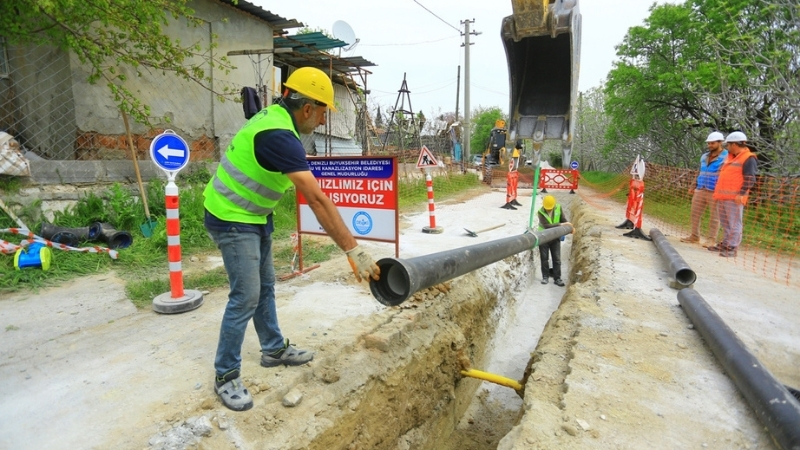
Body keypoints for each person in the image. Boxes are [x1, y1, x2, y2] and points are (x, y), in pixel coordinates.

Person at [202, 67, 380, 412]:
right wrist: (353, 250)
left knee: (266, 286)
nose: (324, 120)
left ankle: (273, 349)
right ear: (307, 107)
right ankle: (226, 374)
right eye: (324, 111)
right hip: (230, 216)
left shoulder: (279, 121)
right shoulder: (279, 136)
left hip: (254, 214)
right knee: (246, 295)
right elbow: (317, 200)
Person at [710, 131, 757, 258]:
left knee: (734, 223)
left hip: (735, 198)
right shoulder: (731, 157)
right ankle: (726, 243)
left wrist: (741, 194)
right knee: (726, 223)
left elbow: (750, 178)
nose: (727, 147)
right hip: (723, 196)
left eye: (728, 145)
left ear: (734, 144)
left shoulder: (748, 158)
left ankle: (732, 247)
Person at [680, 132, 728, 246]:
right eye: (708, 143)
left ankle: (711, 239)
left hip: (715, 190)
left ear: (720, 143)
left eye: (712, 143)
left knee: (715, 217)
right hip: (700, 188)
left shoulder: (726, 156)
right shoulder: (704, 156)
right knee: (695, 213)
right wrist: (693, 186)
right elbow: (700, 171)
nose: (709, 145)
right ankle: (694, 236)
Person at [537, 195, 571, 286]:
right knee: (544, 259)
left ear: (554, 205)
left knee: (557, 259)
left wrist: (567, 226)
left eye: (550, 208)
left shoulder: (558, 208)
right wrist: (560, 225)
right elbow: (546, 226)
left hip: (555, 238)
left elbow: (563, 220)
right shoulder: (540, 212)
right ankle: (545, 277)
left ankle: (557, 278)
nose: (548, 210)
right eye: (547, 208)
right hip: (543, 237)